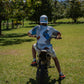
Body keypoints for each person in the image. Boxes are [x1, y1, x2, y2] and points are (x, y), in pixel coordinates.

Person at [28, 15, 65, 80]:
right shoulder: (50, 28)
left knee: (33, 46)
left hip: (39, 47)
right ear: (47, 21)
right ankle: (61, 74)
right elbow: (59, 33)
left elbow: (29, 33)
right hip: (48, 48)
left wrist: (32, 36)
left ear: (40, 21)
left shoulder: (37, 27)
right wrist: (58, 37)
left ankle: (34, 60)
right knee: (55, 59)